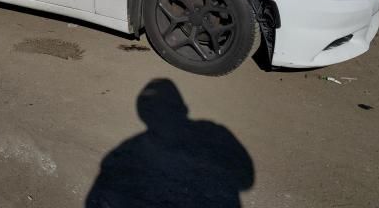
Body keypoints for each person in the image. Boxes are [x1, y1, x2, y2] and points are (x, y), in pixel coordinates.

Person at [86, 78, 254, 207]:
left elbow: (98, 200)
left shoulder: (127, 153)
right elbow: (246, 179)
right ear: (183, 108)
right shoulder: (214, 133)